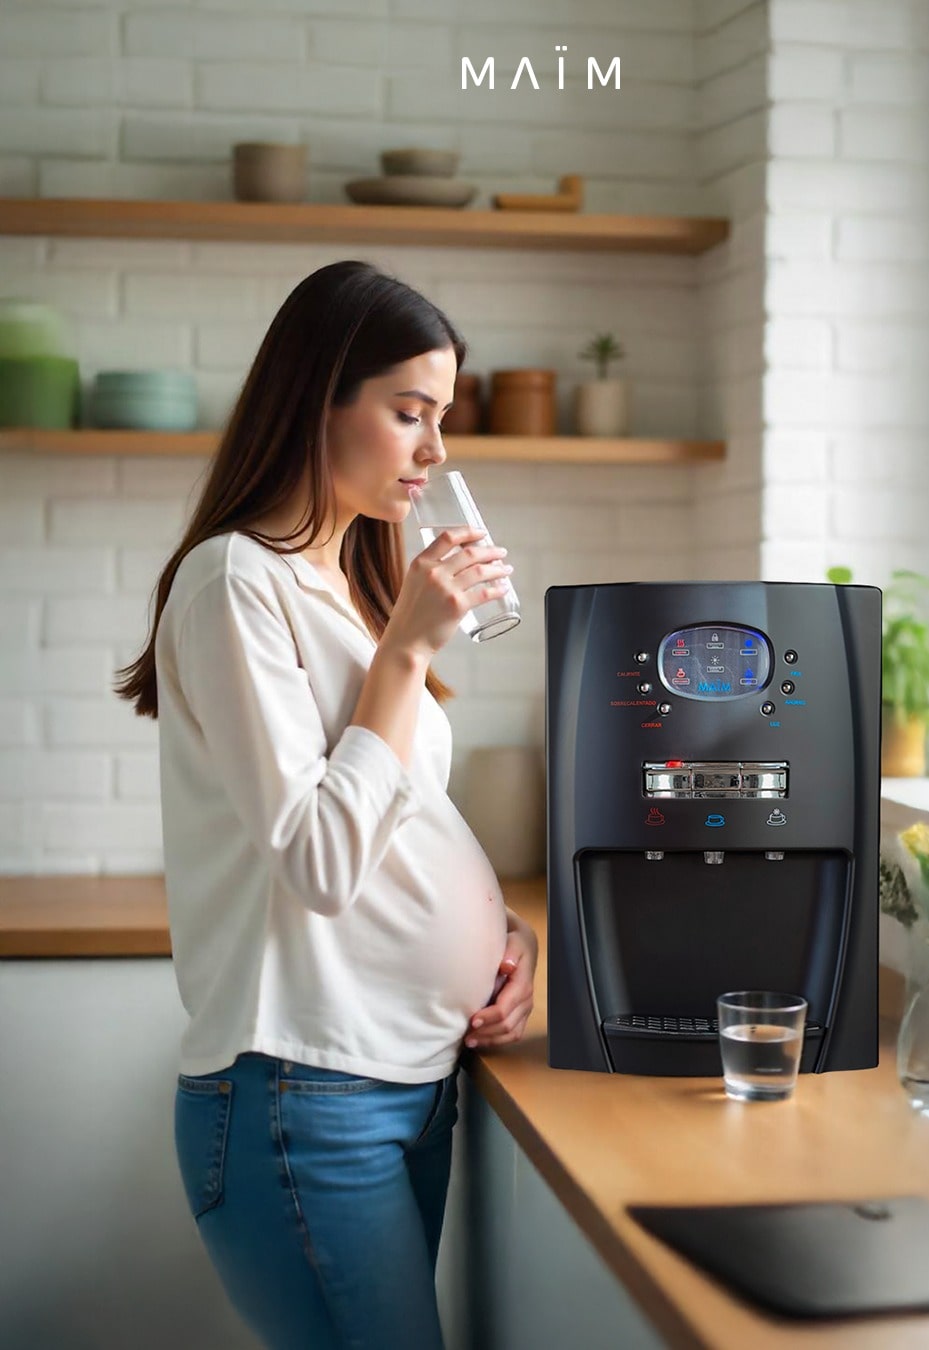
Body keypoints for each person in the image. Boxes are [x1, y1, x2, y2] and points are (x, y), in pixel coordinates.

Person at [115, 259, 538, 1350]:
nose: (436, 453)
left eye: (441, 419)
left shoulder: (343, 591)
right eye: (410, 414)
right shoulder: (234, 580)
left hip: (403, 1076)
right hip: (304, 1091)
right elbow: (315, 859)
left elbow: (400, 821)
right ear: (319, 403)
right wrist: (407, 651)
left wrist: (501, 935)